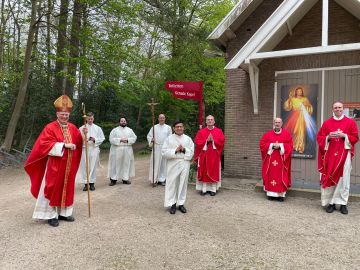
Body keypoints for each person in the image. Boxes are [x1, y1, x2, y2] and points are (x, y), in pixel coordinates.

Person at [24, 95, 83, 227]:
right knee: (51, 188)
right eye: (62, 114)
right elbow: (43, 144)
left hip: (69, 164)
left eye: (66, 114)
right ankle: (50, 215)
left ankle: (64, 213)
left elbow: (79, 141)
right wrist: (63, 145)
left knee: (67, 187)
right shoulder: (50, 127)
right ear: (57, 114)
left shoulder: (73, 128)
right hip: (55, 165)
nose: (64, 117)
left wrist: (84, 135)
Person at [317, 102, 359, 214]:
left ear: (343, 108)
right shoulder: (326, 123)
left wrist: (344, 136)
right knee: (330, 176)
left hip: (344, 155)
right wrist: (328, 137)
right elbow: (319, 137)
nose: (338, 109)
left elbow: (355, 137)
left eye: (339, 107)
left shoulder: (350, 122)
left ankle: (343, 203)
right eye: (335, 107)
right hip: (330, 156)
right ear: (333, 109)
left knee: (344, 179)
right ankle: (330, 203)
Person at [162, 120, 194, 214]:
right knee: (172, 184)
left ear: (183, 128)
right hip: (173, 163)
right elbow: (163, 152)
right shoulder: (169, 139)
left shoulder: (188, 139)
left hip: (184, 162)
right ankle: (172, 204)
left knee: (183, 183)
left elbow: (192, 151)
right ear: (173, 128)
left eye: (181, 126)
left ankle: (181, 203)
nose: (179, 128)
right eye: (177, 127)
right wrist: (175, 150)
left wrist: (184, 150)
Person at [259, 118, 293, 201]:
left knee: (280, 176)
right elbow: (262, 144)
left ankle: (280, 195)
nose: (277, 124)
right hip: (271, 161)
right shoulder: (268, 134)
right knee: (271, 176)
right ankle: (270, 194)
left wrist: (281, 146)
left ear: (281, 123)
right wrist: (272, 145)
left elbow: (290, 145)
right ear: (273, 123)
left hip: (282, 160)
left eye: (279, 122)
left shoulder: (286, 134)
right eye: (276, 122)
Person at [194, 115, 225, 196]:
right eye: (208, 120)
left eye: (211, 119)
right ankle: (203, 189)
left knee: (213, 171)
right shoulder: (201, 131)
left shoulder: (219, 131)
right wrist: (206, 141)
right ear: (206, 121)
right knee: (204, 171)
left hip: (214, 155)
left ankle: (213, 190)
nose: (210, 121)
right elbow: (197, 141)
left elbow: (222, 141)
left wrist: (213, 141)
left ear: (214, 121)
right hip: (204, 155)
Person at [76, 112, 105, 191]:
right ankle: (86, 184)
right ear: (86, 119)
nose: (90, 120)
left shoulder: (97, 128)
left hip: (94, 148)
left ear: (93, 118)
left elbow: (102, 138)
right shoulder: (81, 128)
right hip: (84, 149)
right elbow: (77, 139)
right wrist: (83, 136)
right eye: (88, 119)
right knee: (85, 166)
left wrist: (94, 139)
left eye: (91, 118)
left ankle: (92, 183)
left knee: (92, 166)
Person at [283, 86, 315, 154]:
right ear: (296, 92)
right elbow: (288, 107)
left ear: (302, 92)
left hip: (301, 116)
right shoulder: (293, 99)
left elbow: (309, 107)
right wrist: (289, 98)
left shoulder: (305, 99)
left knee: (301, 131)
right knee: (293, 131)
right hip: (294, 116)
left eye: (300, 91)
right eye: (298, 91)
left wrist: (306, 105)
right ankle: (293, 146)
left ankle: (300, 147)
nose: (299, 92)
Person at [108, 117, 137, 185]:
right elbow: (111, 139)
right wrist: (120, 140)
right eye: (121, 121)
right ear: (119, 122)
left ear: (126, 122)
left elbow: (134, 138)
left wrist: (127, 140)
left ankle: (125, 178)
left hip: (127, 149)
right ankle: (113, 179)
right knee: (115, 164)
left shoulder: (130, 130)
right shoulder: (114, 130)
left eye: (124, 121)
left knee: (126, 164)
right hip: (117, 150)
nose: (123, 122)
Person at [147, 114, 172, 186]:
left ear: (165, 119)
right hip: (156, 147)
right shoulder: (154, 127)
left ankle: (162, 179)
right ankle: (154, 179)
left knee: (163, 165)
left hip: (164, 148)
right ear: (158, 119)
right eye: (160, 118)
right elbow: (149, 135)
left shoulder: (168, 128)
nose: (162, 119)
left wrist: (168, 146)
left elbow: (170, 138)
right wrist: (151, 139)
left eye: (163, 118)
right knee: (155, 163)